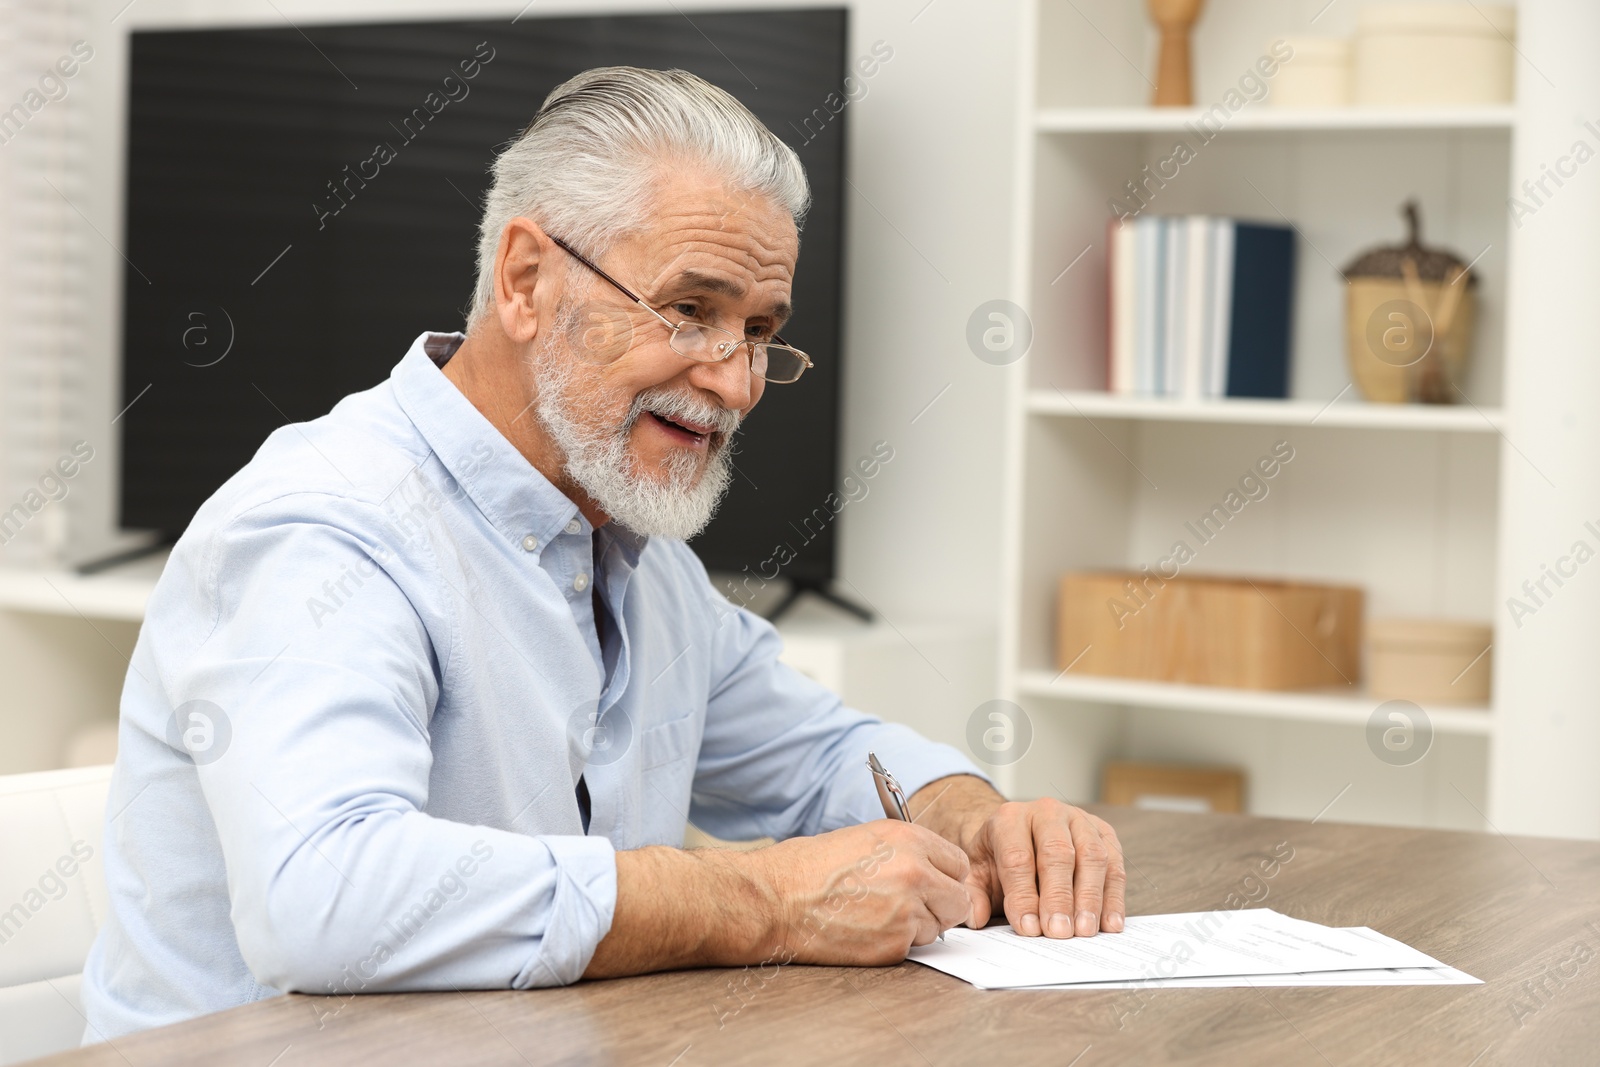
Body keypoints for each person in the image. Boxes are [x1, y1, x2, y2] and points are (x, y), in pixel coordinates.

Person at [80, 66, 1124, 1041]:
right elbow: (323, 894)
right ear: (527, 279)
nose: (738, 383)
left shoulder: (627, 543)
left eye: (760, 330)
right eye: (690, 311)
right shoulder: (320, 525)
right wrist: (760, 899)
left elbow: (809, 750)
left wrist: (975, 817)